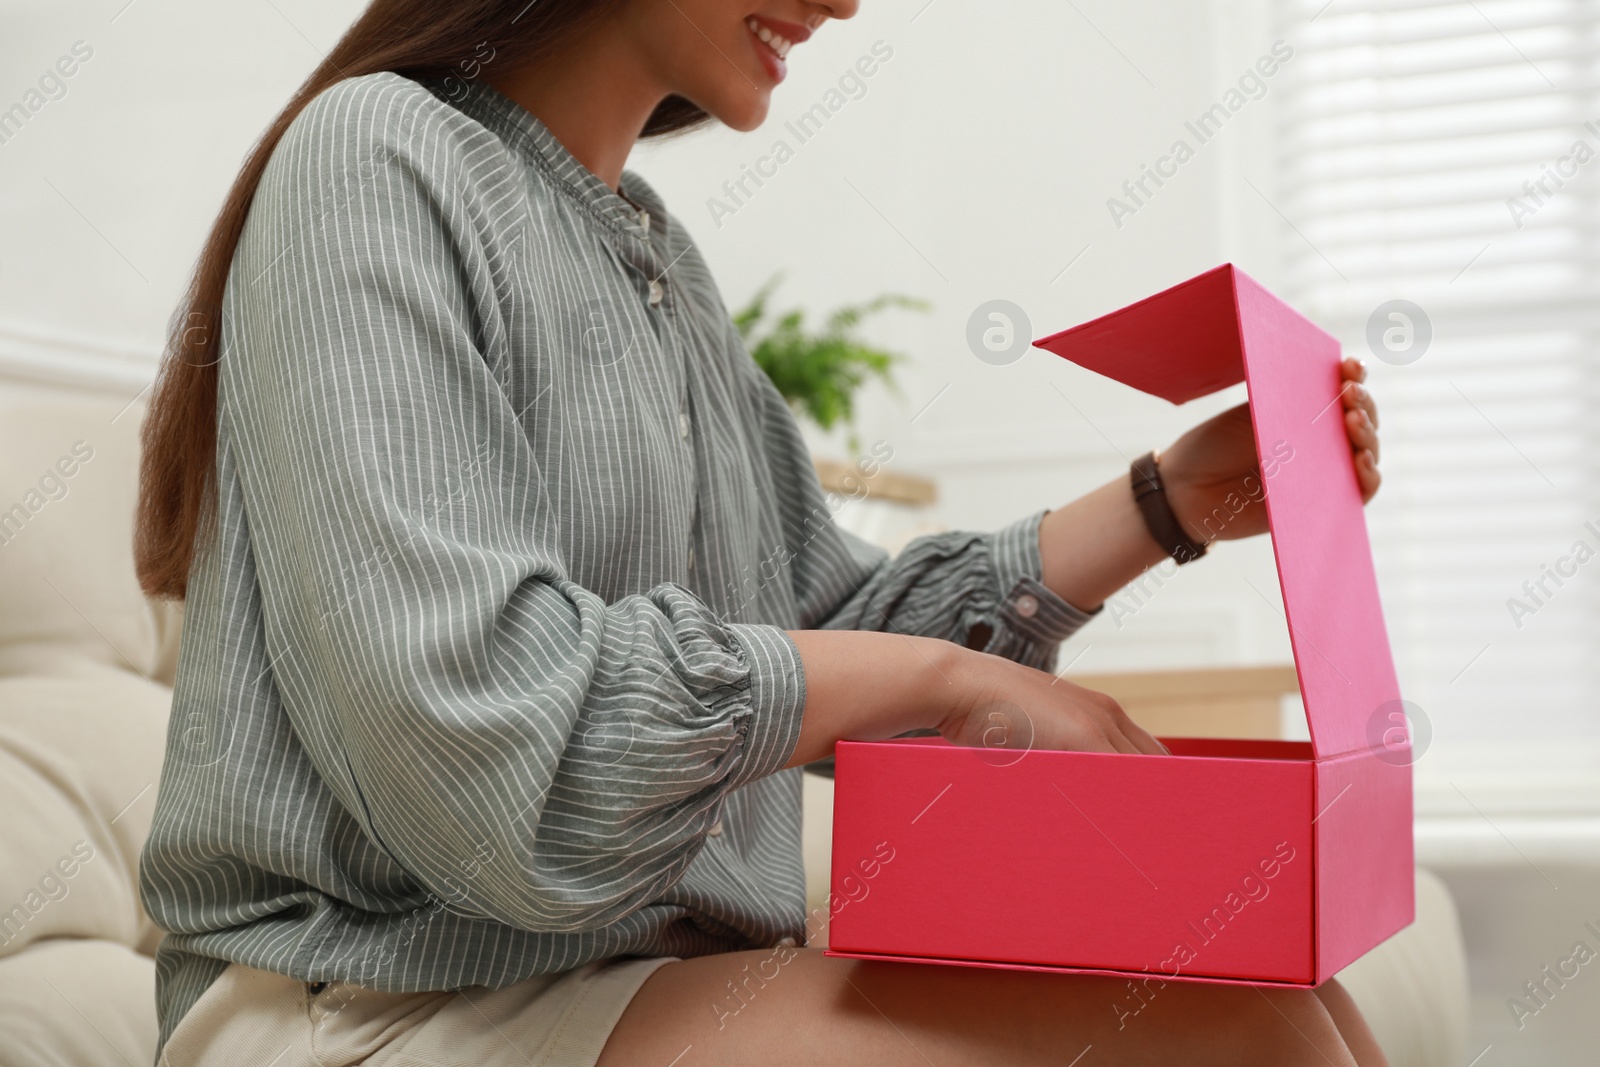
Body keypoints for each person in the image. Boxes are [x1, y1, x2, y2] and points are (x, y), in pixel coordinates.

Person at [133, 1, 1388, 1063]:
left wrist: (1165, 500)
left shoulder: (654, 259)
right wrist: (954, 673)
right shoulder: (373, 157)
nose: (843, 4)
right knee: (1243, 1035)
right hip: (377, 998)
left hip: (623, 974)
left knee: (1281, 983)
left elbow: (822, 648)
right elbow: (490, 733)